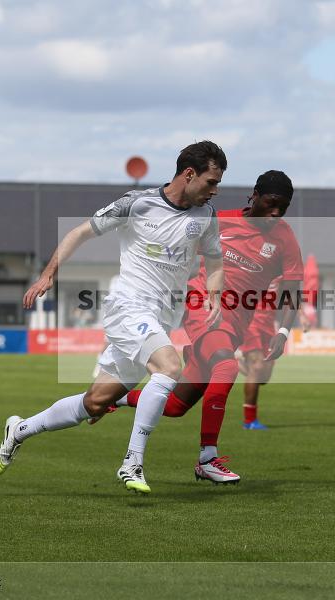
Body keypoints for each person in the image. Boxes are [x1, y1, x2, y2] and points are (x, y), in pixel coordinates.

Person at [0, 141, 227, 495]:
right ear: (189, 174)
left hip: (162, 318)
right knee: (168, 367)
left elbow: (215, 260)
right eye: (211, 182)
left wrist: (214, 292)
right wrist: (48, 274)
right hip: (128, 307)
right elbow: (80, 232)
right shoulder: (137, 203)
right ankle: (132, 462)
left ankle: (19, 430)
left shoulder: (206, 217)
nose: (215, 190)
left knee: (95, 402)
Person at [114, 170, 304, 484]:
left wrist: (283, 332)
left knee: (175, 405)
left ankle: (112, 397)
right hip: (204, 310)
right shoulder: (217, 220)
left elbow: (294, 289)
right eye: (271, 203)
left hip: (236, 326)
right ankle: (208, 458)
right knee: (227, 367)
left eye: (283, 208)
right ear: (254, 195)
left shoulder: (284, 237)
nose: (276, 213)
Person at [237, 277, 282, 431]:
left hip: (269, 326)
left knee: (263, 377)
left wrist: (302, 314)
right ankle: (249, 421)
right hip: (250, 322)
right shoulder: (248, 262)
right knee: (257, 367)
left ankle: (232, 362)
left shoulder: (282, 267)